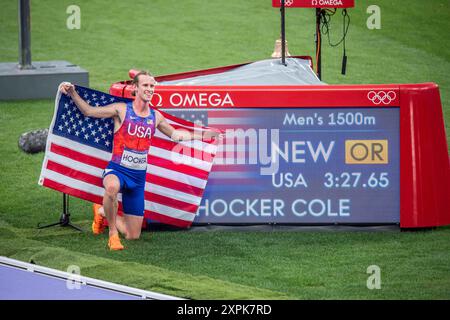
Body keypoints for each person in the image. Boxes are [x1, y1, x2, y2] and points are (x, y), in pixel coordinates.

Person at [59, 71, 219, 250]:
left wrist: (204, 135)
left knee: (132, 235)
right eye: (145, 85)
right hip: (117, 170)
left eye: (152, 86)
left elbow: (176, 135)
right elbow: (89, 111)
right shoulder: (121, 109)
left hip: (137, 179)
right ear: (135, 88)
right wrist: (72, 92)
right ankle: (112, 235)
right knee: (111, 188)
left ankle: (102, 211)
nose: (150, 89)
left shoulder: (155, 116)